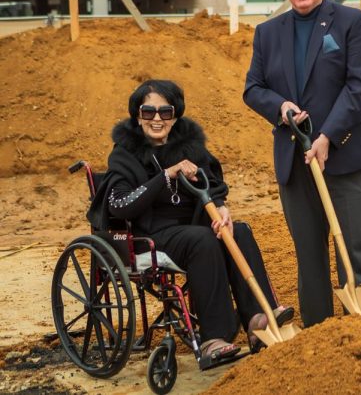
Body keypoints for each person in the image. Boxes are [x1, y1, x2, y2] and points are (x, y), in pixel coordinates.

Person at [89, 79, 292, 365]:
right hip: (152, 235)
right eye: (148, 112)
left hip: (193, 226)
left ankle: (259, 318)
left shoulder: (189, 145)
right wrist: (165, 176)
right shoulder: (124, 154)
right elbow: (120, 206)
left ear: (175, 115)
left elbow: (213, 184)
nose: (157, 119)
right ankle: (214, 337)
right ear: (137, 115)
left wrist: (220, 207)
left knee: (239, 232)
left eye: (165, 112)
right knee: (204, 241)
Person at [244, 0, 361, 327]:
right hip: (296, 161)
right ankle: (319, 336)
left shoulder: (352, 22)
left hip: (346, 155)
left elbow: (359, 87)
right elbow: (253, 88)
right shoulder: (267, 33)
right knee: (309, 255)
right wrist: (280, 108)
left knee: (358, 247)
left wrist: (327, 135)